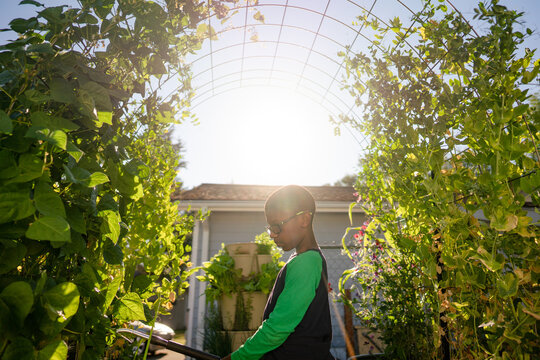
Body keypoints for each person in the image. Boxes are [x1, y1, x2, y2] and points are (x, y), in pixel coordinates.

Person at [222, 185, 335, 360]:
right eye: (270, 228)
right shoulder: (304, 260)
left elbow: (277, 329)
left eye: (277, 226)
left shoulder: (306, 262)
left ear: (304, 219)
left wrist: (238, 358)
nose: (272, 235)